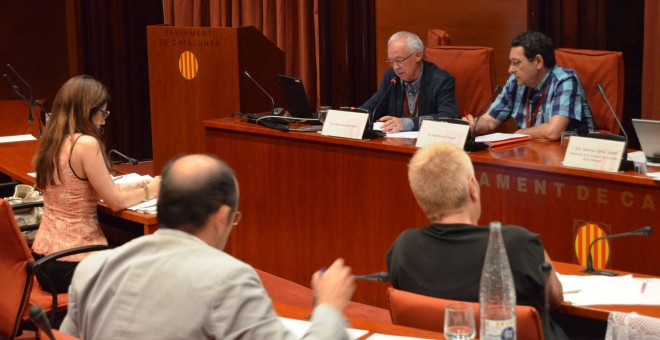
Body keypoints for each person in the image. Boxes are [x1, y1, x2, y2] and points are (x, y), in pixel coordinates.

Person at [60, 154, 356, 339]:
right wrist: (329, 306)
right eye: (234, 218)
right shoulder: (228, 280)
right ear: (222, 216)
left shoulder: (93, 269)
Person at [386, 143, 568, 339]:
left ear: (420, 199)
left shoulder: (403, 248)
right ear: (473, 187)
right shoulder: (516, 243)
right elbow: (555, 299)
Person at [32, 75, 161, 293]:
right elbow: (115, 202)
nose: (104, 120)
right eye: (103, 113)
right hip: (75, 260)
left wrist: (138, 187)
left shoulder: (52, 140)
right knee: (147, 269)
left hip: (44, 258)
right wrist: (151, 189)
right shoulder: (85, 144)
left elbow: (87, 189)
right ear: (87, 111)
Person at [467, 31, 594, 141]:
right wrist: (474, 125)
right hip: (533, 153)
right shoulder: (514, 82)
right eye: (510, 63)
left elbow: (553, 131)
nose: (510, 70)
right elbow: (489, 121)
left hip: (572, 156)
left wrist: (519, 133)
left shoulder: (565, 80)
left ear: (538, 61)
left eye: (516, 63)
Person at [360, 31, 458, 133]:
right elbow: (371, 108)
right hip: (395, 143)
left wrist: (408, 123)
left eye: (400, 60)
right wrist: (352, 118)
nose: (395, 67)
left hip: (427, 145)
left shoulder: (441, 80)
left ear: (418, 55)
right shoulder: (391, 77)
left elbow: (448, 117)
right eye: (391, 62)